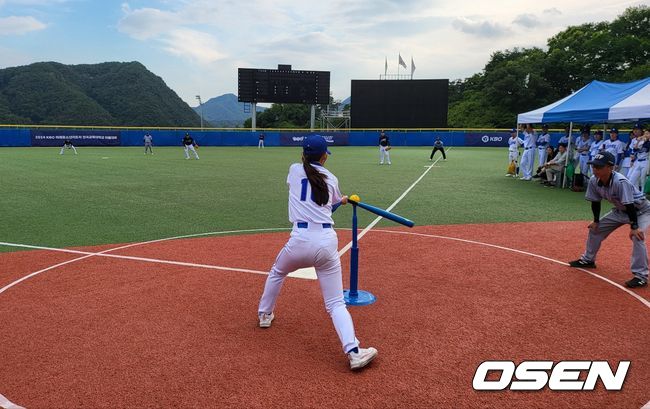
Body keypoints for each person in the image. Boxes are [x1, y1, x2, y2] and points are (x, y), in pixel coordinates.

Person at [257, 134, 378, 370]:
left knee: (277, 272)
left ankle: (264, 315)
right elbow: (326, 205)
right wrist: (342, 200)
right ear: (324, 156)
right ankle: (353, 352)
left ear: (303, 154)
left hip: (299, 240)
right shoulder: (331, 178)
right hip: (325, 242)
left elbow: (311, 197)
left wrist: (337, 201)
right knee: (335, 303)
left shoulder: (294, 170)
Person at [568, 151, 649, 288]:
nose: (595, 169)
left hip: (641, 211)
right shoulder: (594, 180)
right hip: (620, 211)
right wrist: (596, 220)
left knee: (638, 237)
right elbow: (595, 201)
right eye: (594, 166)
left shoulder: (620, 181)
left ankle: (641, 276)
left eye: (599, 167)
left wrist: (634, 227)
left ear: (610, 168)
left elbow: (629, 205)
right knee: (595, 229)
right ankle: (588, 260)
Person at [628, 124, 650, 191]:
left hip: (645, 161)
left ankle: (642, 196)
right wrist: (638, 141)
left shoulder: (647, 141)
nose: (635, 131)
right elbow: (634, 149)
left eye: (647, 133)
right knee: (631, 179)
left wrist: (642, 138)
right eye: (634, 130)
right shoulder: (637, 140)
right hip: (637, 161)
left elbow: (645, 148)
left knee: (643, 181)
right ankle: (637, 195)